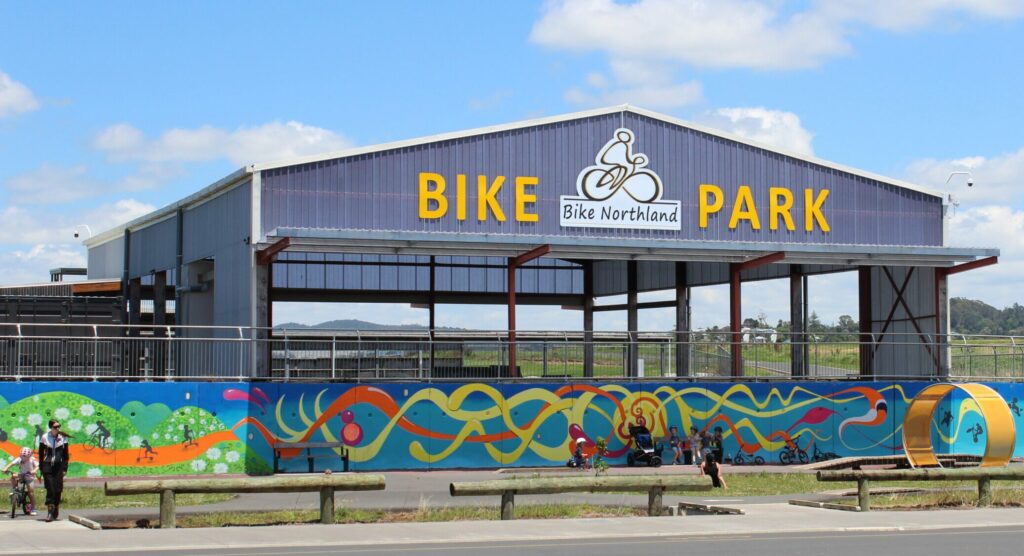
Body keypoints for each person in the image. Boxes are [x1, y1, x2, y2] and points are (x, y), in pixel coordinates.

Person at [39, 418, 70, 522]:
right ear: (51, 428)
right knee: (50, 488)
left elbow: (65, 455)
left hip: (58, 466)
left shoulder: (63, 438)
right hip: (47, 465)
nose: (57, 428)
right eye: (55, 427)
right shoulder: (44, 437)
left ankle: (56, 507)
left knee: (58, 489)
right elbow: (40, 453)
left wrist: (65, 468)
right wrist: (41, 466)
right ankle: (50, 512)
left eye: (58, 426)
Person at [2, 447, 38, 515]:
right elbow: (11, 464)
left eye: (25, 456)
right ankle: (14, 489)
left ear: (29, 456)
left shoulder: (32, 460)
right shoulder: (19, 458)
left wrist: (34, 470)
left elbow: (37, 466)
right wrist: (6, 468)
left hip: (29, 477)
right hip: (22, 475)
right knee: (13, 476)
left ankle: (33, 509)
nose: (23, 457)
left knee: (31, 493)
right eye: (22, 455)